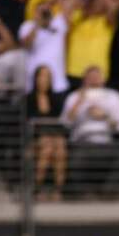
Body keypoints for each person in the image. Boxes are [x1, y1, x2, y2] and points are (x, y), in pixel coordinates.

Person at [27, 65, 67, 199]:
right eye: (41, 76)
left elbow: (59, 122)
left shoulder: (56, 99)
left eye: (47, 76)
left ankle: (58, 190)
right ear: (36, 78)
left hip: (53, 134)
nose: (44, 79)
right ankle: (38, 188)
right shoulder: (28, 99)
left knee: (59, 148)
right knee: (48, 147)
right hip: (34, 136)